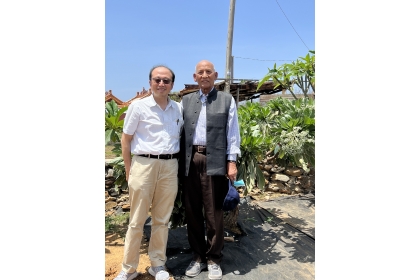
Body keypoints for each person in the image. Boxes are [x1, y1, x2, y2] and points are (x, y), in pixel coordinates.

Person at [114, 65, 184, 280]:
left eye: (166, 80)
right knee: (137, 220)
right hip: (143, 165)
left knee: (162, 219)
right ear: (150, 82)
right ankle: (129, 268)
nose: (161, 84)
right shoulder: (138, 107)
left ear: (172, 84)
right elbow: (126, 140)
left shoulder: (178, 109)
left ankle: (158, 264)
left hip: (170, 166)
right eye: (157, 80)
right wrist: (129, 170)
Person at [180, 60, 241, 279]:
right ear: (194, 77)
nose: (204, 75)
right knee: (193, 211)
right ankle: (197, 257)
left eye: (208, 72)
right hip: (189, 160)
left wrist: (231, 161)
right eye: (200, 72)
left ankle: (214, 258)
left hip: (215, 159)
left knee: (214, 212)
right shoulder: (185, 101)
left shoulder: (226, 100)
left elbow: (232, 132)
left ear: (215, 76)